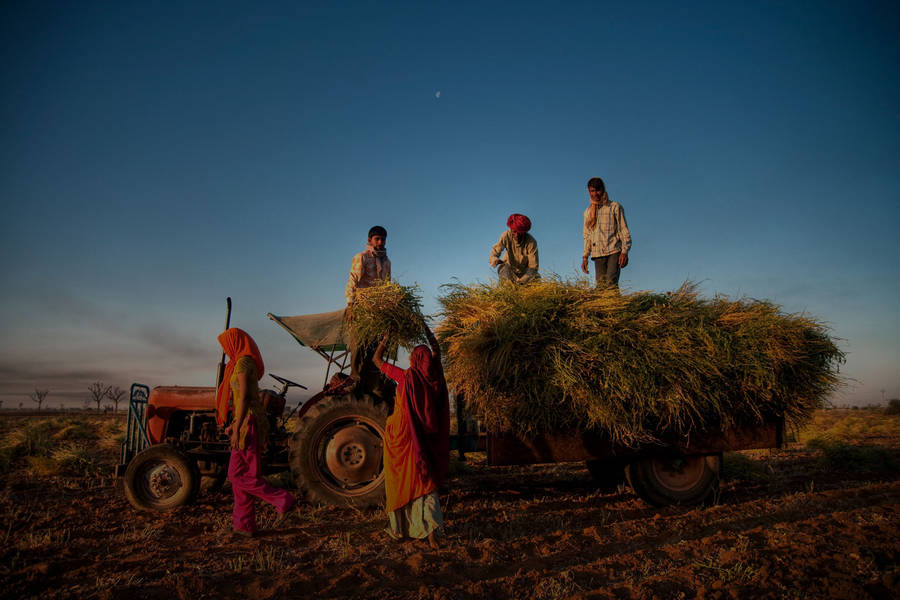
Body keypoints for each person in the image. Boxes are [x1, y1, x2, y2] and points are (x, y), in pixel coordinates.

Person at [372, 325, 450, 549]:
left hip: (402, 436)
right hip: (423, 438)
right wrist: (425, 328)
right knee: (425, 480)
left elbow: (377, 360)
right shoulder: (435, 375)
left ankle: (402, 528)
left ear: (415, 359)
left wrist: (386, 336)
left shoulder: (405, 376)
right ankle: (432, 531)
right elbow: (436, 350)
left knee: (402, 479)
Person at [216, 327, 299, 537]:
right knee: (242, 476)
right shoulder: (241, 362)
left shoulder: (244, 362)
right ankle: (244, 525)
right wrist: (234, 423)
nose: (226, 351)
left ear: (235, 342)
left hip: (249, 423)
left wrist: (237, 427)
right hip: (245, 421)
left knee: (236, 475)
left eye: (227, 345)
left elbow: (244, 397)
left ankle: (283, 499)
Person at [345, 225, 392, 397]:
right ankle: (355, 379)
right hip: (361, 308)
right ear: (370, 240)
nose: (380, 242)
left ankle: (373, 382)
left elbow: (387, 287)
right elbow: (352, 281)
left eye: (383, 239)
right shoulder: (362, 257)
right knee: (358, 343)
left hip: (377, 312)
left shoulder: (386, 262)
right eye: (377, 239)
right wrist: (351, 305)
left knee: (376, 347)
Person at [580, 177, 632, 288]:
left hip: (614, 251)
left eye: (597, 190)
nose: (595, 194)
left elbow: (623, 230)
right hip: (598, 254)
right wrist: (585, 257)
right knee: (601, 287)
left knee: (610, 283)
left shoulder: (614, 207)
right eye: (592, 191)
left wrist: (624, 251)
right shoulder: (588, 212)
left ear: (603, 189)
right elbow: (587, 236)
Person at [489, 213, 539, 283]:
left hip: (525, 273)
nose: (517, 235)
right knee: (504, 270)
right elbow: (495, 251)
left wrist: (521, 282)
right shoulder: (506, 236)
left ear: (524, 232)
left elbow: (533, 266)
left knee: (536, 276)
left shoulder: (531, 242)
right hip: (509, 270)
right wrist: (494, 259)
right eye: (514, 232)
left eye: (520, 233)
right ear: (511, 229)